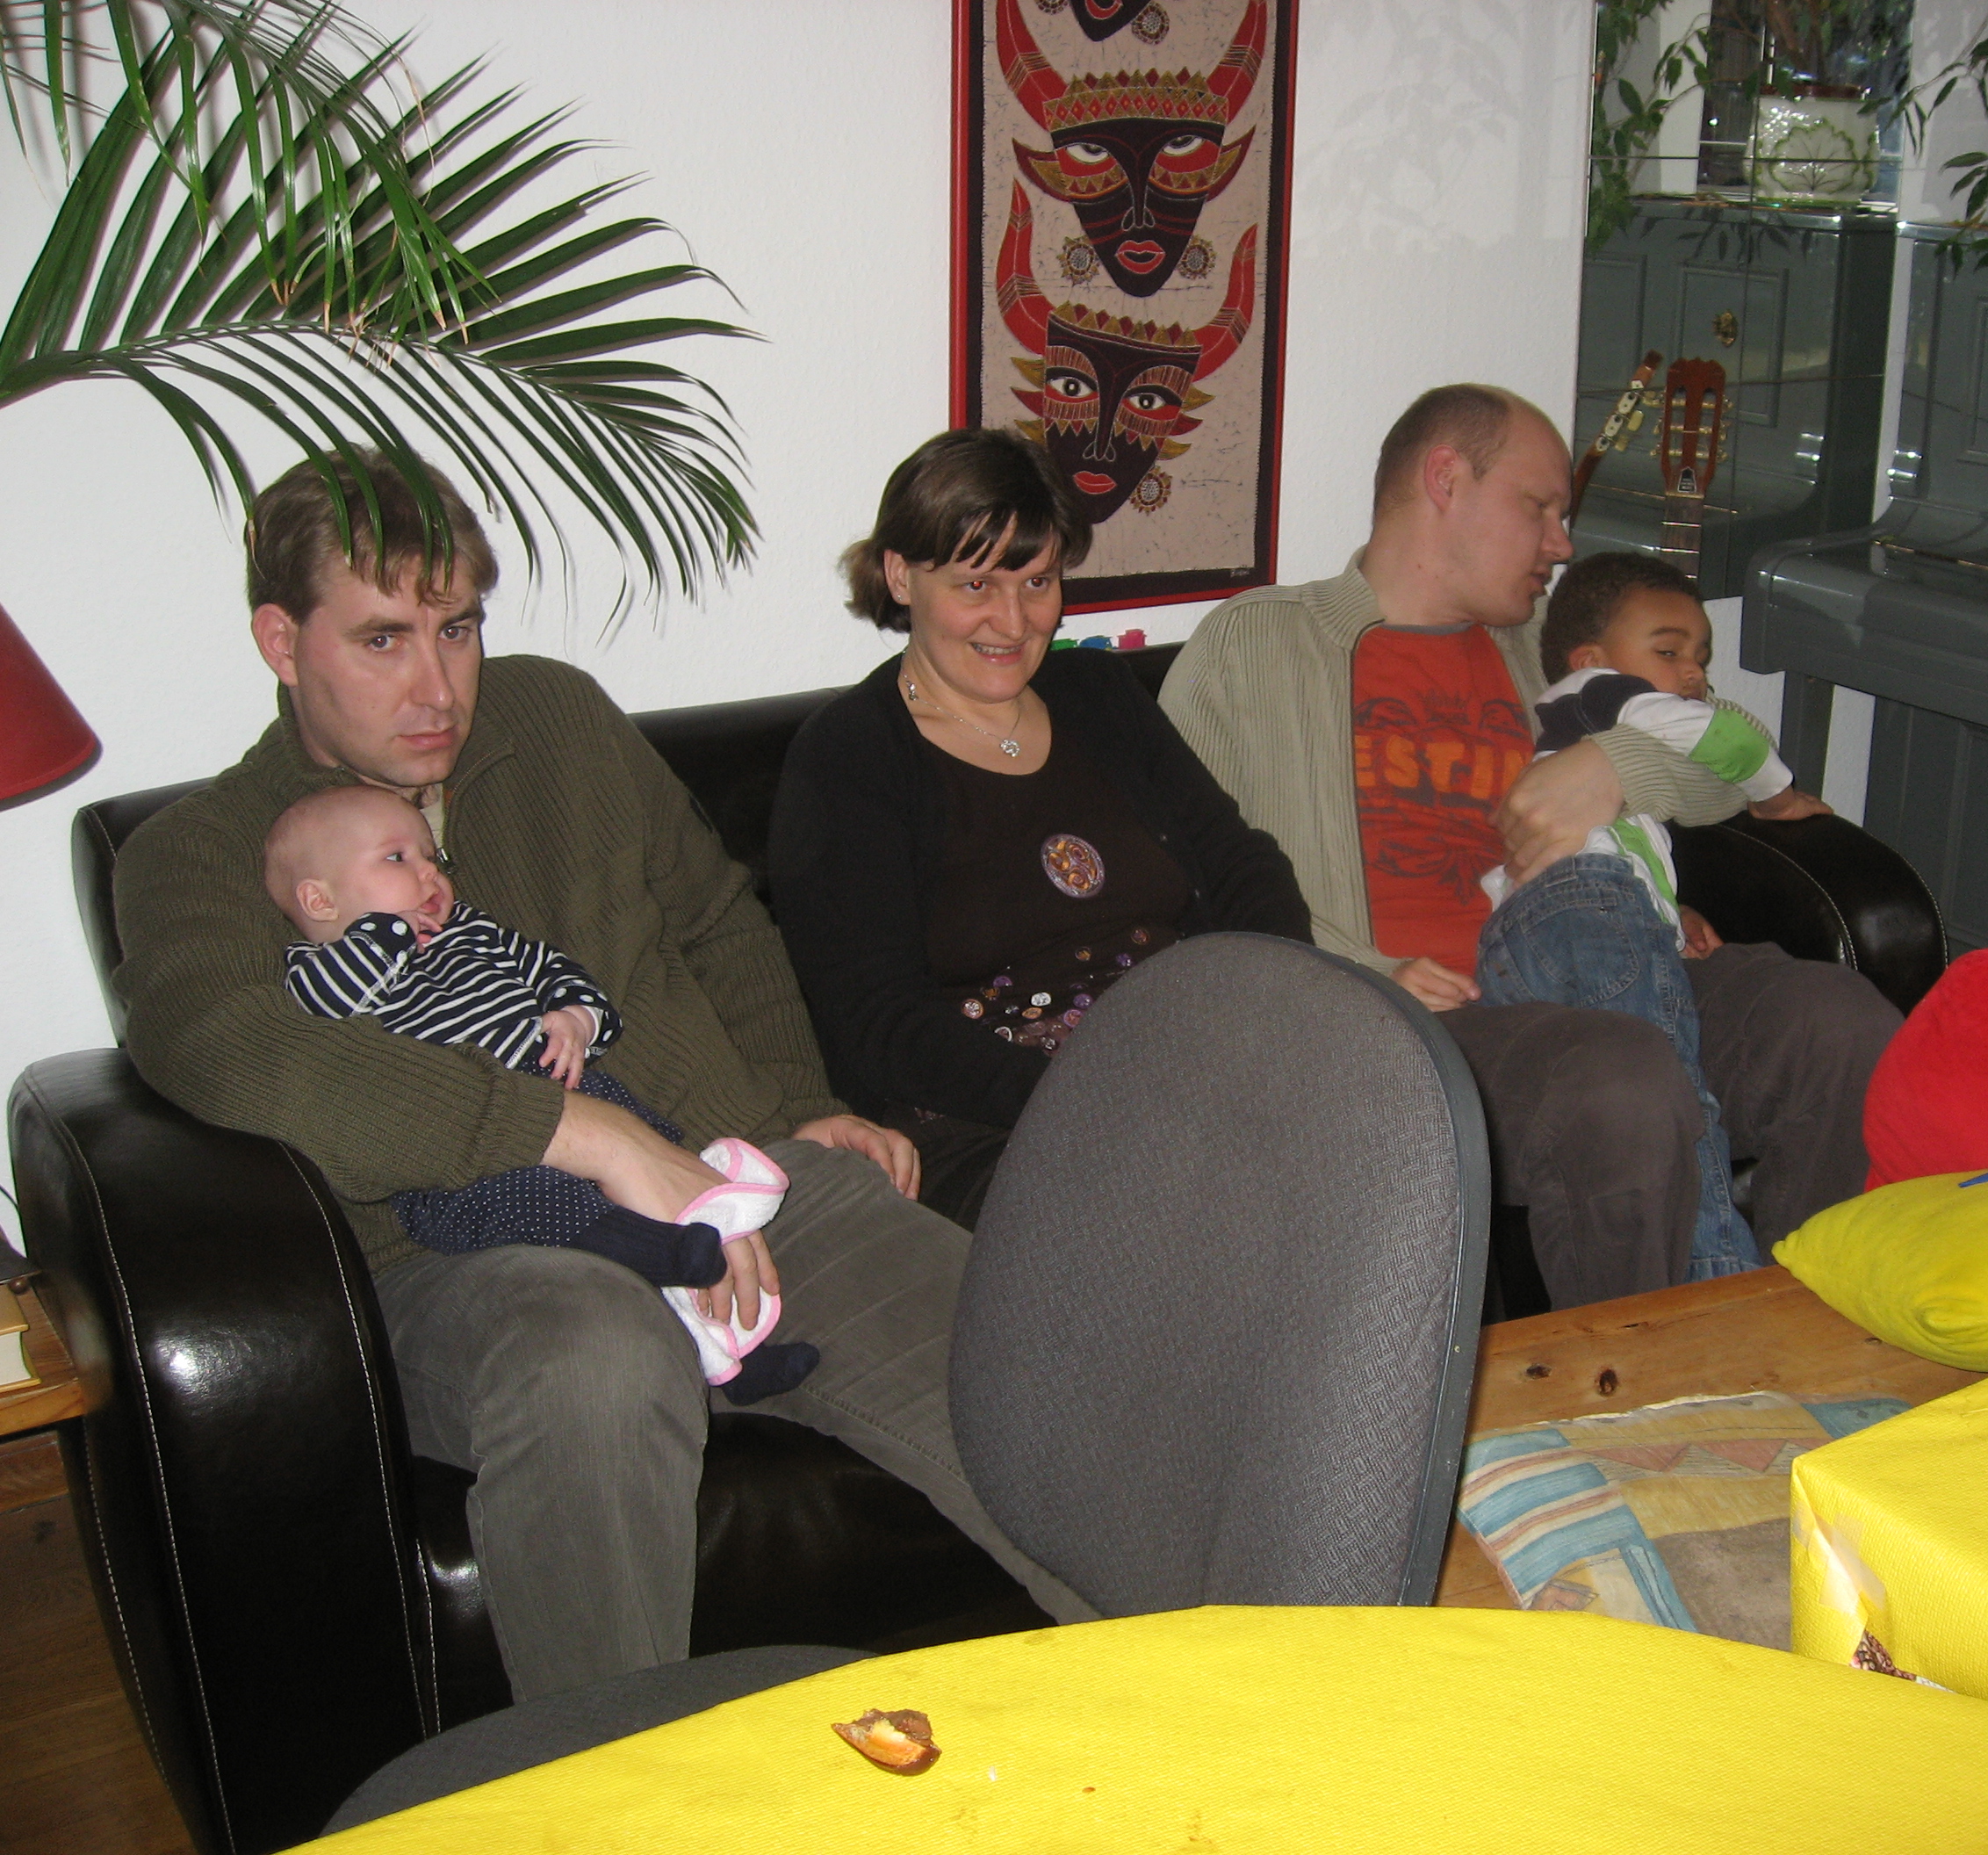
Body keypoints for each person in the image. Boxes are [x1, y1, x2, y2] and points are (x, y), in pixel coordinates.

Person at [114, 446, 1093, 1702]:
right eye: (382, 640)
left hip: (726, 1184)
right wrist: (580, 1132)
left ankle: (1244, 1707)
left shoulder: (558, 721)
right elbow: (222, 1046)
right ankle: (612, 1783)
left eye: (458, 628)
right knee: (595, 1352)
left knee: (1026, 1370)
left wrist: (797, 1108)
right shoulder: (201, 854)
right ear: (279, 641)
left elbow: (717, 921)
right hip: (469, 1259)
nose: (437, 687)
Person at [1161, 384, 1901, 1306]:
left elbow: (1721, 758)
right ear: (1445, 480)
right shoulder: (1260, 644)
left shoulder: (1545, 649)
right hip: (1421, 1021)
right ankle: (1648, 1380)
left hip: (1603, 956)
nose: (1561, 544)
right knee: (1620, 1081)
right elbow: (1177, 870)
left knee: (1839, 1024)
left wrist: (1612, 768)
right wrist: (1354, 975)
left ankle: (1804, 1336)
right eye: (1539, 508)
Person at [768, 429, 1311, 1228]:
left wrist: (1268, 1012)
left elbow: (1244, 867)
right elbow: (877, 1027)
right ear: (901, 575)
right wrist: (1096, 1094)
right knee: (1210, 1207)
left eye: (1038, 581)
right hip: (992, 1121)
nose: (1015, 621)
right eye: (976, 584)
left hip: (1188, 1056)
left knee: (1398, 1147)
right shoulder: (850, 756)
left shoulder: (1102, 696)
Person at [264, 783, 818, 1402]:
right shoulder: (315, 969)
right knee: (548, 1201)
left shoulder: (473, 931)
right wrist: (390, 931)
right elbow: (332, 1003)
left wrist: (575, 1019)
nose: (430, 874)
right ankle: (649, 1249)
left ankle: (740, 1357)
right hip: (462, 1157)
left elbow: (558, 973)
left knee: (666, 1166)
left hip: (569, 1091)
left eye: (432, 856)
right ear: (319, 899)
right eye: (397, 859)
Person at [1475, 551, 1833, 1281]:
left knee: (1631, 1076)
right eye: (1668, 652)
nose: (1694, 672)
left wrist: (1666, 917)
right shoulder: (1605, 692)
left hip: (1534, 926)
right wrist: (1777, 794)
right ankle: (1718, 1275)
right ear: (1590, 658)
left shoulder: (1589, 723)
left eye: (1700, 655)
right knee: (1670, 1081)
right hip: (1585, 900)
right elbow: (1725, 740)